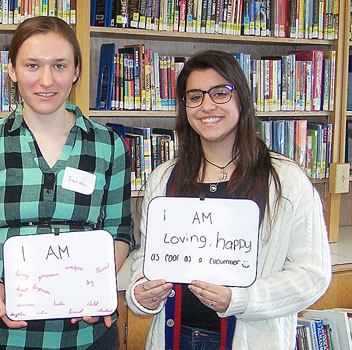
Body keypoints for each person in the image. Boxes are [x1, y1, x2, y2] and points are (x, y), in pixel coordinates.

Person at [125, 50, 331, 349]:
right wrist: (141, 293)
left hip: (251, 339)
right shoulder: (164, 177)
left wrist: (242, 299)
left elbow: (312, 275)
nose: (207, 105)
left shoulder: (285, 180)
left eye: (220, 93)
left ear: (241, 99)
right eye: (194, 96)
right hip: (174, 337)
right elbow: (149, 260)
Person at [0, 16, 133, 349]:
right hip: (4, 330)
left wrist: (98, 284)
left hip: (86, 331)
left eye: (60, 65)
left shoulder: (109, 145)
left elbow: (120, 232)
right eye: (32, 65)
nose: (46, 80)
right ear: (12, 69)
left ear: (76, 71)